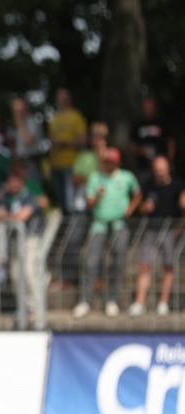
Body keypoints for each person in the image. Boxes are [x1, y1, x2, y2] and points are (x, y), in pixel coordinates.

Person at [72, 147, 141, 318]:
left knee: (118, 261)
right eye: (106, 161)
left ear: (117, 162)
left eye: (111, 162)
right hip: (99, 224)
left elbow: (138, 194)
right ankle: (85, 301)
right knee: (91, 262)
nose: (107, 165)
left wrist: (130, 209)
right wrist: (97, 197)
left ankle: (112, 300)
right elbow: (88, 203)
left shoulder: (127, 177)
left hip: (119, 224)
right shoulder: (95, 177)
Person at [128, 155, 185, 317]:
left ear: (168, 168)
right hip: (151, 230)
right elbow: (140, 207)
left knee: (168, 267)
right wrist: (145, 208)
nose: (159, 171)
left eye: (162, 168)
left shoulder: (178, 185)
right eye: (157, 168)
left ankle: (163, 303)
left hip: (169, 231)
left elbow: (183, 209)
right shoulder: (148, 185)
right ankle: (139, 302)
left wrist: (180, 225)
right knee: (144, 265)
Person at [0, 168, 48, 303]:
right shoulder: (7, 197)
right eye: (10, 182)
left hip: (31, 239)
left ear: (22, 182)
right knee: (15, 274)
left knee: (29, 271)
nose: (13, 184)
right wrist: (2, 213)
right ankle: (25, 307)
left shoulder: (30, 196)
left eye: (16, 181)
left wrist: (4, 216)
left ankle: (37, 306)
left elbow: (22, 216)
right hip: (15, 241)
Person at [48, 88, 87, 213]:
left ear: (69, 99)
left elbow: (82, 141)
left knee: (72, 202)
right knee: (61, 202)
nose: (61, 101)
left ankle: (75, 231)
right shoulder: (54, 119)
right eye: (59, 98)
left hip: (72, 165)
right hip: (56, 165)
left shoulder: (76, 117)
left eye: (64, 98)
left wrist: (64, 143)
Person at [129, 96, 175, 182]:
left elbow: (170, 142)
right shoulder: (138, 124)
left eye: (150, 105)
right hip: (144, 166)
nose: (148, 107)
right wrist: (142, 150)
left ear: (154, 106)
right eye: (146, 105)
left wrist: (169, 160)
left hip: (162, 165)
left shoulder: (161, 122)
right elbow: (132, 145)